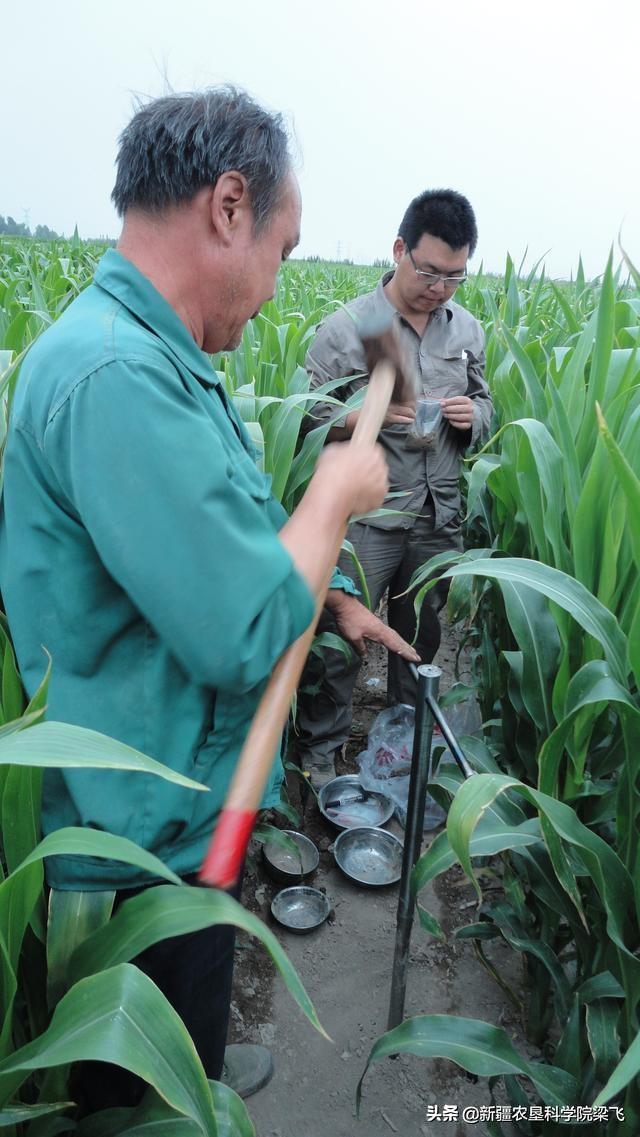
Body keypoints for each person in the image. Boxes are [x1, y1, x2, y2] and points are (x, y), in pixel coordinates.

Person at [0, 87, 418, 1108]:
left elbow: (205, 559)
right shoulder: (116, 378)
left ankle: (203, 1065)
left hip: (188, 817)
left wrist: (325, 602)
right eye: (284, 250)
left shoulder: (160, 361)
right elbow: (236, 628)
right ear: (229, 206)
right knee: (146, 1096)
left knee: (192, 1039)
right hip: (134, 852)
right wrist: (334, 491)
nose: (279, 286)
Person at [295, 189, 493, 788]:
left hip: (438, 514)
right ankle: (321, 752)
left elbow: (486, 405)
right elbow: (302, 420)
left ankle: (402, 738)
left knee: (421, 634)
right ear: (400, 249)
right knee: (342, 636)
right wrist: (363, 418)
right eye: (429, 271)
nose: (440, 288)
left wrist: (471, 416)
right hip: (368, 518)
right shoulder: (351, 328)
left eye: (455, 277)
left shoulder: (465, 329)